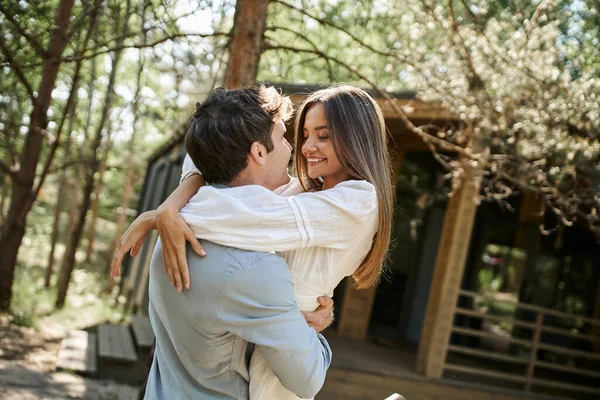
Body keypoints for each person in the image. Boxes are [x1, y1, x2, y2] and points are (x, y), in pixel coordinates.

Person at [113, 85, 394, 400]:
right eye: (297, 135)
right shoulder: (296, 202)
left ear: (356, 138)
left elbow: (239, 200)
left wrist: (165, 211)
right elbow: (210, 154)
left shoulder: (356, 201)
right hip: (284, 345)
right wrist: (170, 209)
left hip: (275, 369)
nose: (302, 147)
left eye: (323, 136)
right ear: (259, 152)